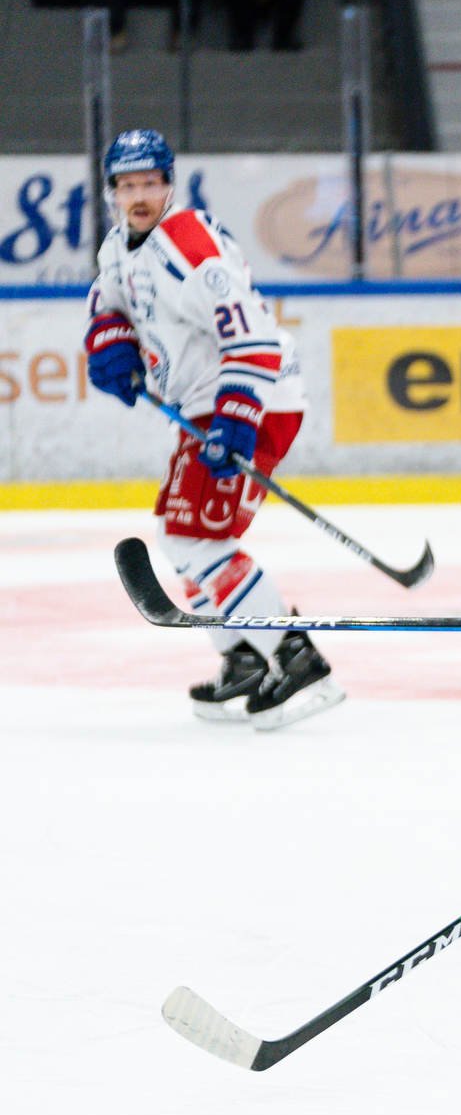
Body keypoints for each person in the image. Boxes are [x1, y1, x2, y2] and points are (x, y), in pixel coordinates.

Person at [84, 127, 342, 730]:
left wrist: (236, 419)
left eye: (151, 182)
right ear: (113, 193)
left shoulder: (189, 247)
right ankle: (243, 657)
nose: (140, 194)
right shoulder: (120, 246)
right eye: (128, 185)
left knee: (201, 540)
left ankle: (297, 659)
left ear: (169, 183)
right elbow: (108, 302)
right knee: (183, 538)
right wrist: (111, 342)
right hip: (207, 403)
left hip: (255, 398)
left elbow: (251, 335)